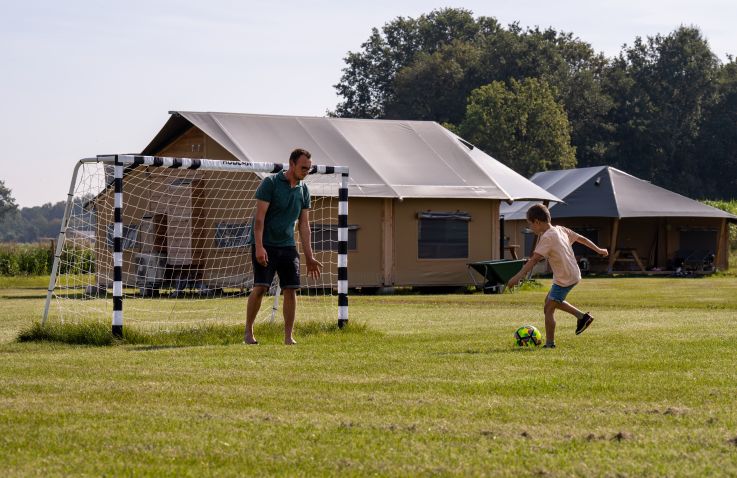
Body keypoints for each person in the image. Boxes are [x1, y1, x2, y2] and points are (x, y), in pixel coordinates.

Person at [244, 148, 322, 345]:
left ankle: (288, 336)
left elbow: (304, 225)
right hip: (266, 243)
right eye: (303, 167)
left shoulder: (304, 190)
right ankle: (248, 333)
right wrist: (260, 247)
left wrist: (309, 256)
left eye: (309, 169)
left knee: (291, 289)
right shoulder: (270, 183)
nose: (306, 171)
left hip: (287, 246)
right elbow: (259, 219)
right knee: (261, 287)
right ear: (292, 164)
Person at [506, 204, 608, 348]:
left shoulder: (547, 237)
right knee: (550, 301)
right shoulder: (560, 229)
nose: (531, 228)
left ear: (537, 222)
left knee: (549, 308)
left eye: (530, 224)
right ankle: (582, 317)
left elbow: (534, 259)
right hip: (571, 273)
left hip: (564, 278)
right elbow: (582, 239)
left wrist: (517, 277)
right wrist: (599, 250)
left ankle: (550, 344)